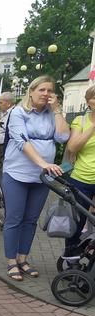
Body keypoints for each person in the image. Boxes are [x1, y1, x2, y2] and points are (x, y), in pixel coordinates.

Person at [2, 75, 69, 281]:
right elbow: (22, 141)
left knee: (31, 219)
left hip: (42, 178)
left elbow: (63, 137)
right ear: (31, 91)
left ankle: (23, 259)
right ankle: (11, 261)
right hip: (17, 173)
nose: (46, 94)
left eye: (50, 90)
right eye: (42, 90)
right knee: (14, 218)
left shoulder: (52, 114)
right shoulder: (17, 112)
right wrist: (44, 164)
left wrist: (57, 110)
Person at [62, 85, 95, 260]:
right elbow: (73, 147)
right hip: (82, 179)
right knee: (76, 222)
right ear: (88, 101)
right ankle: (72, 260)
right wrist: (92, 126)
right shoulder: (80, 121)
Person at [0, 92, 16, 170]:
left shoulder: (14, 113)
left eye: (1, 102)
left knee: (4, 167)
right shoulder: (6, 113)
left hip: (6, 145)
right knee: (0, 166)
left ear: (8, 103)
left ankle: (2, 181)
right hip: (1, 145)